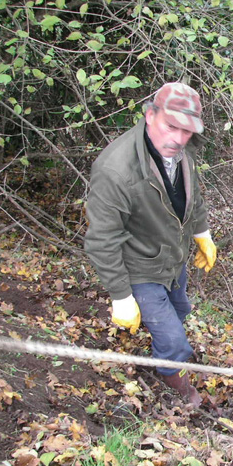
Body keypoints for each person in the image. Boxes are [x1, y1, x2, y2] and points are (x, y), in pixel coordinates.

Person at [84, 82, 217, 407]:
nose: (179, 138)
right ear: (149, 115)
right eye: (171, 126)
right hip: (139, 266)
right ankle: (181, 389)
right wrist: (121, 296)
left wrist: (202, 233)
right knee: (174, 341)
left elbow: (193, 197)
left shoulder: (182, 152)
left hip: (171, 259)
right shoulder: (116, 170)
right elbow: (101, 240)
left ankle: (162, 345)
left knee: (181, 310)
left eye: (187, 131)